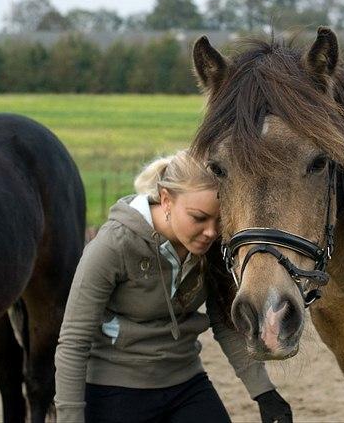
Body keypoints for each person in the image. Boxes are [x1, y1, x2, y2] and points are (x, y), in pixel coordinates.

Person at [54, 150, 293, 423]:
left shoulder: (213, 245)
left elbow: (225, 321)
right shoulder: (113, 246)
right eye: (199, 218)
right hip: (114, 387)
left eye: (219, 220)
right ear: (166, 199)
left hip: (186, 382)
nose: (211, 232)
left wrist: (263, 392)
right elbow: (74, 341)